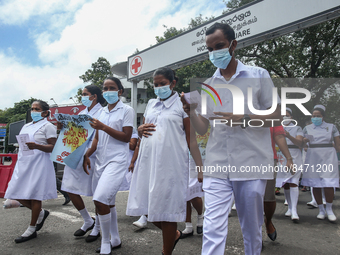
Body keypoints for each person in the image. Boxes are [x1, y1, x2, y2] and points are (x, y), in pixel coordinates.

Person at [181, 22, 281, 255]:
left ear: (233, 44)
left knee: (251, 228)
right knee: (212, 227)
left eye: (219, 46)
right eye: (210, 49)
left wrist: (245, 118)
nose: (214, 52)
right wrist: (192, 112)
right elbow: (203, 127)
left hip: (252, 164)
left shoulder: (258, 75)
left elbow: (276, 115)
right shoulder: (208, 85)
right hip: (217, 165)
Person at [126, 67, 203, 255]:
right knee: (148, 210)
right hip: (147, 163)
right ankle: (174, 235)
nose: (159, 87)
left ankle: (166, 251)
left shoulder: (183, 105)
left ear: (173, 83)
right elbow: (142, 132)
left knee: (166, 211)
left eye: (163, 84)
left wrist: (200, 166)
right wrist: (139, 129)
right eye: (156, 84)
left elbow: (191, 138)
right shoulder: (151, 103)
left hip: (171, 166)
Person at [83, 77, 135, 255]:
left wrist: (104, 127)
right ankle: (115, 238)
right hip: (100, 162)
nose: (107, 91)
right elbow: (96, 139)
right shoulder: (101, 112)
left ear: (120, 91)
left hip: (117, 161)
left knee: (100, 199)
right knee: (108, 202)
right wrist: (87, 154)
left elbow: (126, 137)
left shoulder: (127, 110)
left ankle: (106, 242)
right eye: (105, 88)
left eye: (112, 88)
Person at [5, 100, 57, 243]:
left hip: (39, 164)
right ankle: (41, 213)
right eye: (32, 109)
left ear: (45, 112)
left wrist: (37, 146)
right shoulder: (26, 126)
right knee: (15, 192)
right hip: (24, 163)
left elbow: (53, 147)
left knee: (35, 196)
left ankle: (31, 229)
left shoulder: (48, 126)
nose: (34, 111)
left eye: (37, 109)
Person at [61, 85, 104, 241]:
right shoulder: (81, 113)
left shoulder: (102, 113)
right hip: (76, 154)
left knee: (98, 194)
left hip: (94, 156)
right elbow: (73, 134)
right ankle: (87, 220)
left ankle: (98, 227)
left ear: (94, 96)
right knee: (68, 187)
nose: (82, 97)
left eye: (85, 94)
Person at [301, 104, 340, 222]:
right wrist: (304, 141)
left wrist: (335, 150)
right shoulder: (307, 128)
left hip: (328, 156)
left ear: (323, 116)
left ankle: (329, 209)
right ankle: (321, 210)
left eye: (318, 116)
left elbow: (338, 144)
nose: (315, 118)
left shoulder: (331, 127)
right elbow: (302, 145)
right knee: (315, 183)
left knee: (328, 182)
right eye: (313, 116)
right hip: (313, 156)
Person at [264, 125, 293, 243]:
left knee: (268, 197)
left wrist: (289, 158)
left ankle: (268, 220)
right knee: (250, 197)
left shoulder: (272, 114)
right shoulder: (241, 110)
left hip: (268, 159)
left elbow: (279, 136)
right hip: (244, 159)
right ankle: (254, 234)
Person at [276, 108, 304, 222]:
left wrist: (288, 136)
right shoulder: (277, 126)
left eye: (287, 115)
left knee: (294, 182)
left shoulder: (297, 128)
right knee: (285, 183)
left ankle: (295, 210)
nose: (285, 117)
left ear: (291, 117)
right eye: (283, 116)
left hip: (294, 155)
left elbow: (300, 143)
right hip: (281, 156)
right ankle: (290, 208)